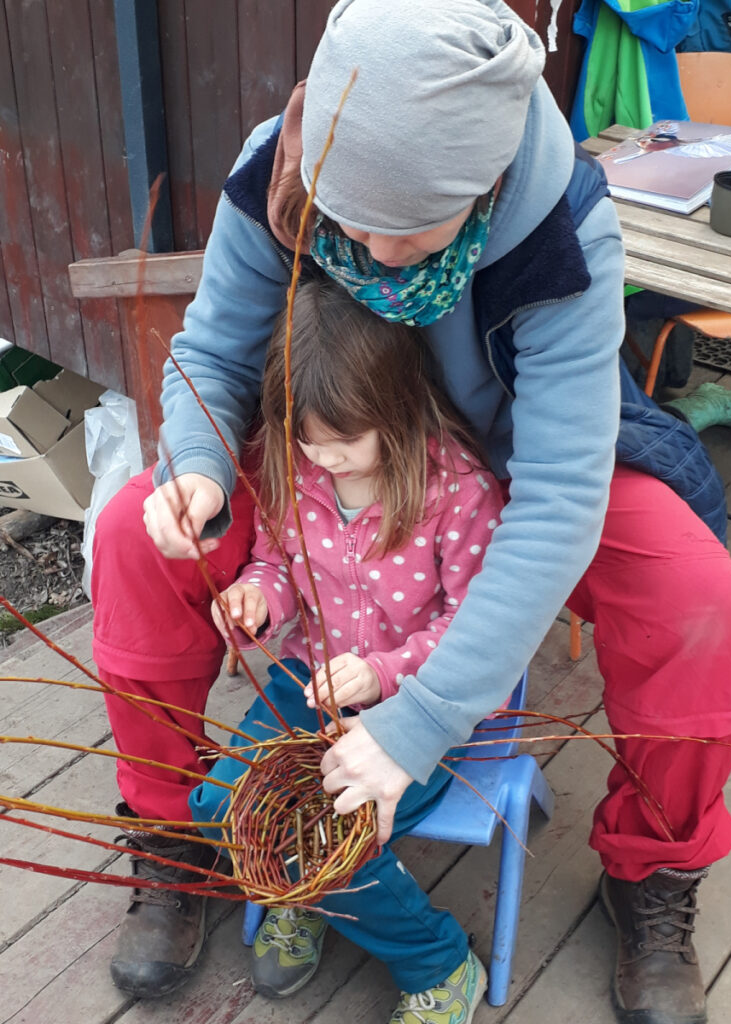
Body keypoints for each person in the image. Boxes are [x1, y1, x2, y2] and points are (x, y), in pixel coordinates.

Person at [91, 2, 731, 1022]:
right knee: (134, 540)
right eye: (349, 222)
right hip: (329, 448)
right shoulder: (280, 174)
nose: (372, 251)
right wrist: (201, 471)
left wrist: (425, 718)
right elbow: (213, 355)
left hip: (512, 449)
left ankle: (653, 868)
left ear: (483, 186)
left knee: (694, 597)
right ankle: (174, 836)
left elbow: (560, 496)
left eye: (410, 229)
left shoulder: (561, 223)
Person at [188, 278, 504, 1008]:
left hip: (421, 708)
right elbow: (275, 564)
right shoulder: (294, 469)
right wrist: (256, 599)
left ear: (398, 406)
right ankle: (304, 886)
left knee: (335, 835)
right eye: (308, 439)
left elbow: (478, 627)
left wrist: (384, 671)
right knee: (220, 807)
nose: (323, 458)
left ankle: (439, 963)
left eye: (344, 441)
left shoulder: (457, 491)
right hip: (307, 684)